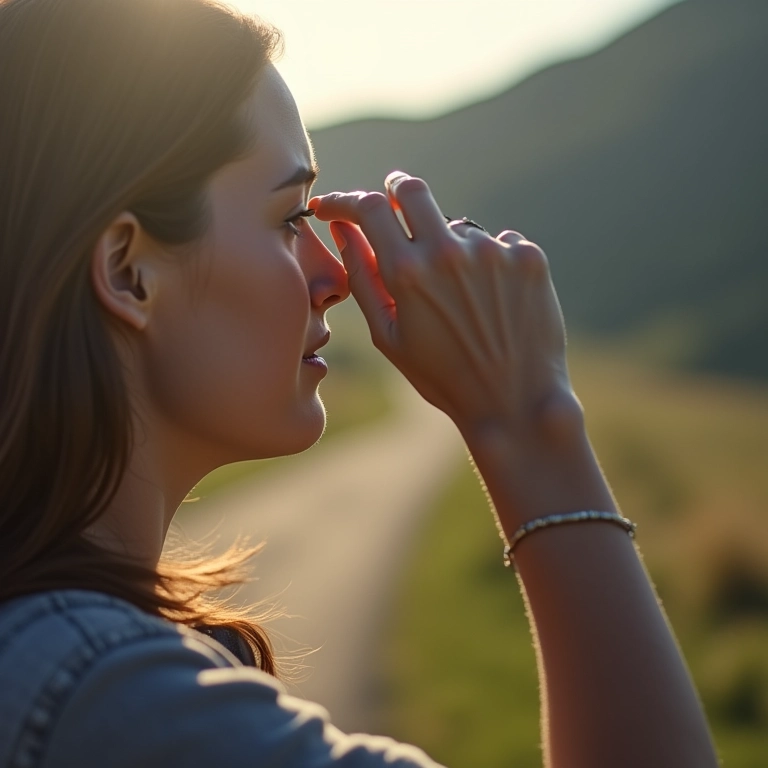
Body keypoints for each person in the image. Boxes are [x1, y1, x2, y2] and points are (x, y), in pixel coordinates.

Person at [0, 0, 718, 766]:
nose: (333, 274)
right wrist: (528, 420)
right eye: (286, 219)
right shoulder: (106, 702)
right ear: (127, 272)